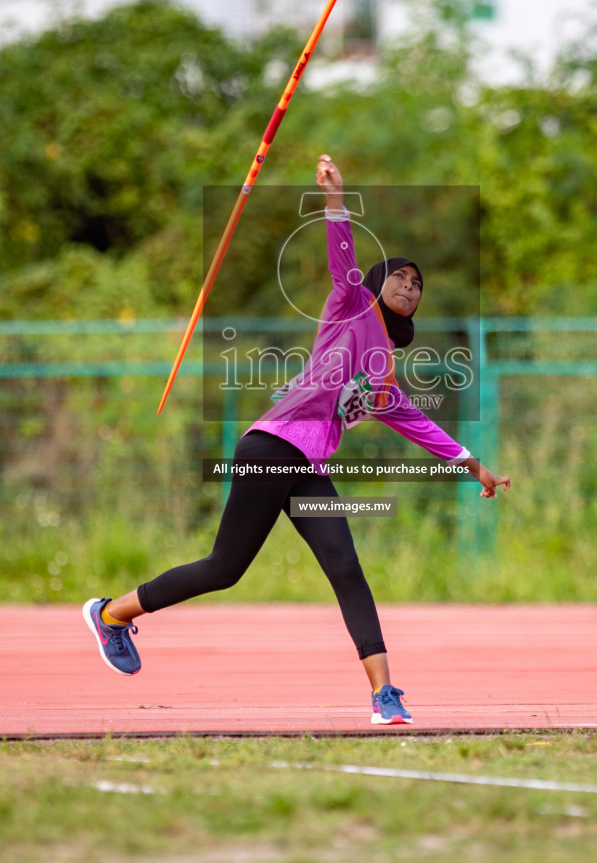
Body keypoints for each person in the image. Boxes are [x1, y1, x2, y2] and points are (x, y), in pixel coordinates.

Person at [83, 154, 510, 725]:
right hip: (269, 450)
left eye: (418, 285)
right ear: (378, 287)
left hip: (307, 467)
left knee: (345, 566)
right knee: (224, 568)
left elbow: (422, 426)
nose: (410, 287)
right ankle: (110, 612)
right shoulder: (347, 309)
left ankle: (386, 696)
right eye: (401, 278)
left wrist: (475, 467)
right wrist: (336, 203)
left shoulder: (383, 378)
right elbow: (342, 263)